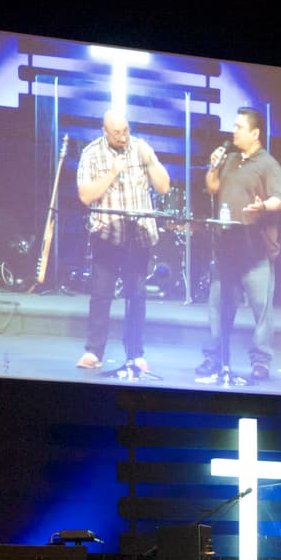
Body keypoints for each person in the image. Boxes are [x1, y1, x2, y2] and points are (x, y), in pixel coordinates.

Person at [195, 106, 281, 384]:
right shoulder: (230, 159)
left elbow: (279, 200)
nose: (233, 131)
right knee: (218, 306)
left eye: (239, 127)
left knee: (262, 310)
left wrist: (263, 206)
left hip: (256, 249)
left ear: (255, 133)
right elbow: (212, 187)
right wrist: (213, 166)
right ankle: (215, 357)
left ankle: (260, 362)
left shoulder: (268, 164)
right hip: (226, 247)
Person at [75, 109, 170, 373]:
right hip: (107, 235)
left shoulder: (140, 148)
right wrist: (111, 174)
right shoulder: (91, 153)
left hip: (138, 236)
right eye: (117, 132)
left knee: (136, 296)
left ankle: (135, 353)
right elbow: (85, 196)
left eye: (126, 130)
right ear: (105, 131)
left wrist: (151, 162)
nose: (123, 137)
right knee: (101, 294)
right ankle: (93, 352)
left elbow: (164, 186)